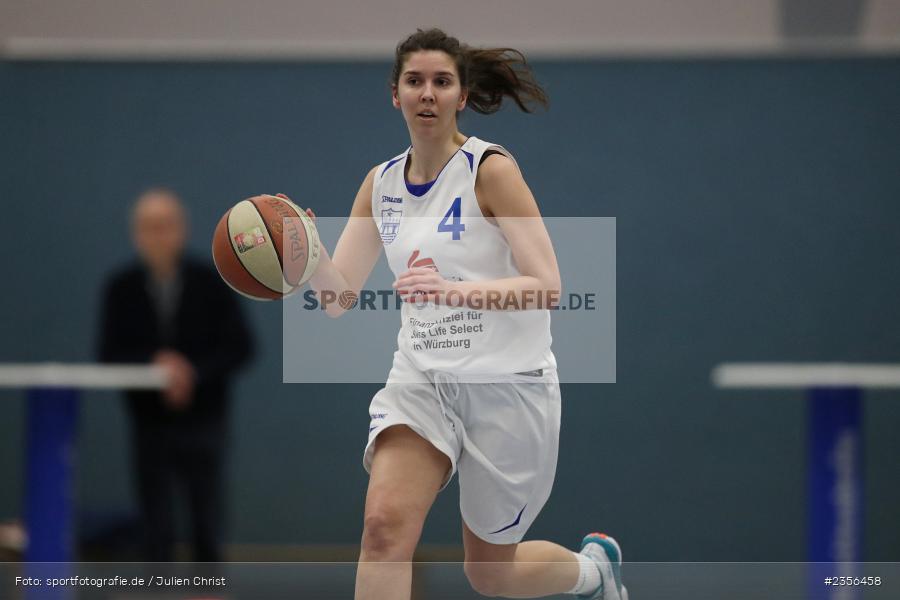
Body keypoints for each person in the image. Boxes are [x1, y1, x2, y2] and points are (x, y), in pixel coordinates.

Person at [291, 28, 627, 600]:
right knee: (383, 530)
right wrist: (303, 252)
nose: (428, 93)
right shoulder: (381, 184)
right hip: (424, 379)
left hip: (508, 384)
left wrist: (452, 290)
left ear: (461, 96)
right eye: (414, 81)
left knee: (490, 574)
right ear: (393, 95)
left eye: (441, 82)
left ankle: (594, 575)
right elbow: (338, 297)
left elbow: (547, 285)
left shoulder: (489, 170)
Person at [98, 188, 253, 562]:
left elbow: (240, 347)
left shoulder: (211, 282)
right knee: (155, 514)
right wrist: (153, 368)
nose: (158, 235)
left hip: (204, 415)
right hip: (149, 418)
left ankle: (207, 586)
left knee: (206, 513)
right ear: (136, 233)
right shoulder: (121, 288)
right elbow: (109, 353)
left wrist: (191, 374)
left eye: (166, 225)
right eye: (149, 227)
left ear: (182, 229)